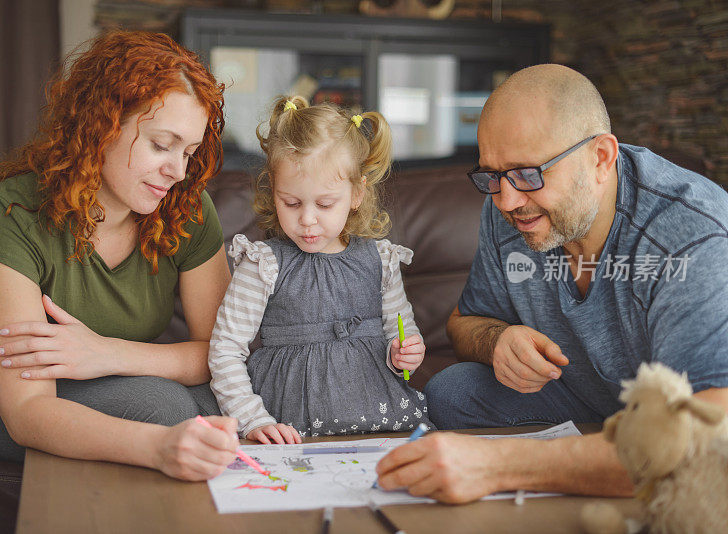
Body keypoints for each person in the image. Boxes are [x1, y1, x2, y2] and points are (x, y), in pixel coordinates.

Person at [376, 64, 728, 502]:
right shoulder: (508, 208)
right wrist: (499, 339)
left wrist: (498, 467)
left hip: (673, 418)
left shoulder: (689, 237)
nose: (507, 201)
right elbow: (464, 321)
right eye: (492, 176)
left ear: (600, 158)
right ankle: (602, 459)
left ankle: (606, 462)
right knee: (453, 392)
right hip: (585, 396)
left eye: (527, 174)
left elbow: (708, 436)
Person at [0, 31, 240, 481]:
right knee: (162, 407)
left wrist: (106, 353)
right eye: (160, 144)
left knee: (218, 403)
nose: (177, 171)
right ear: (103, 125)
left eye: (189, 152)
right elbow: (28, 409)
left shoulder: (186, 208)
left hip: (94, 380)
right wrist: (158, 447)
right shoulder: (15, 212)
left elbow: (221, 354)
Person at [208, 96, 433, 444]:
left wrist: (405, 353)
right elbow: (225, 349)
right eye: (292, 203)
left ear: (356, 194)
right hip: (288, 427)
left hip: (378, 422)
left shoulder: (381, 260)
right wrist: (252, 419)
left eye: (325, 204)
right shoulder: (262, 264)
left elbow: (400, 341)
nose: (307, 219)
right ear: (274, 191)